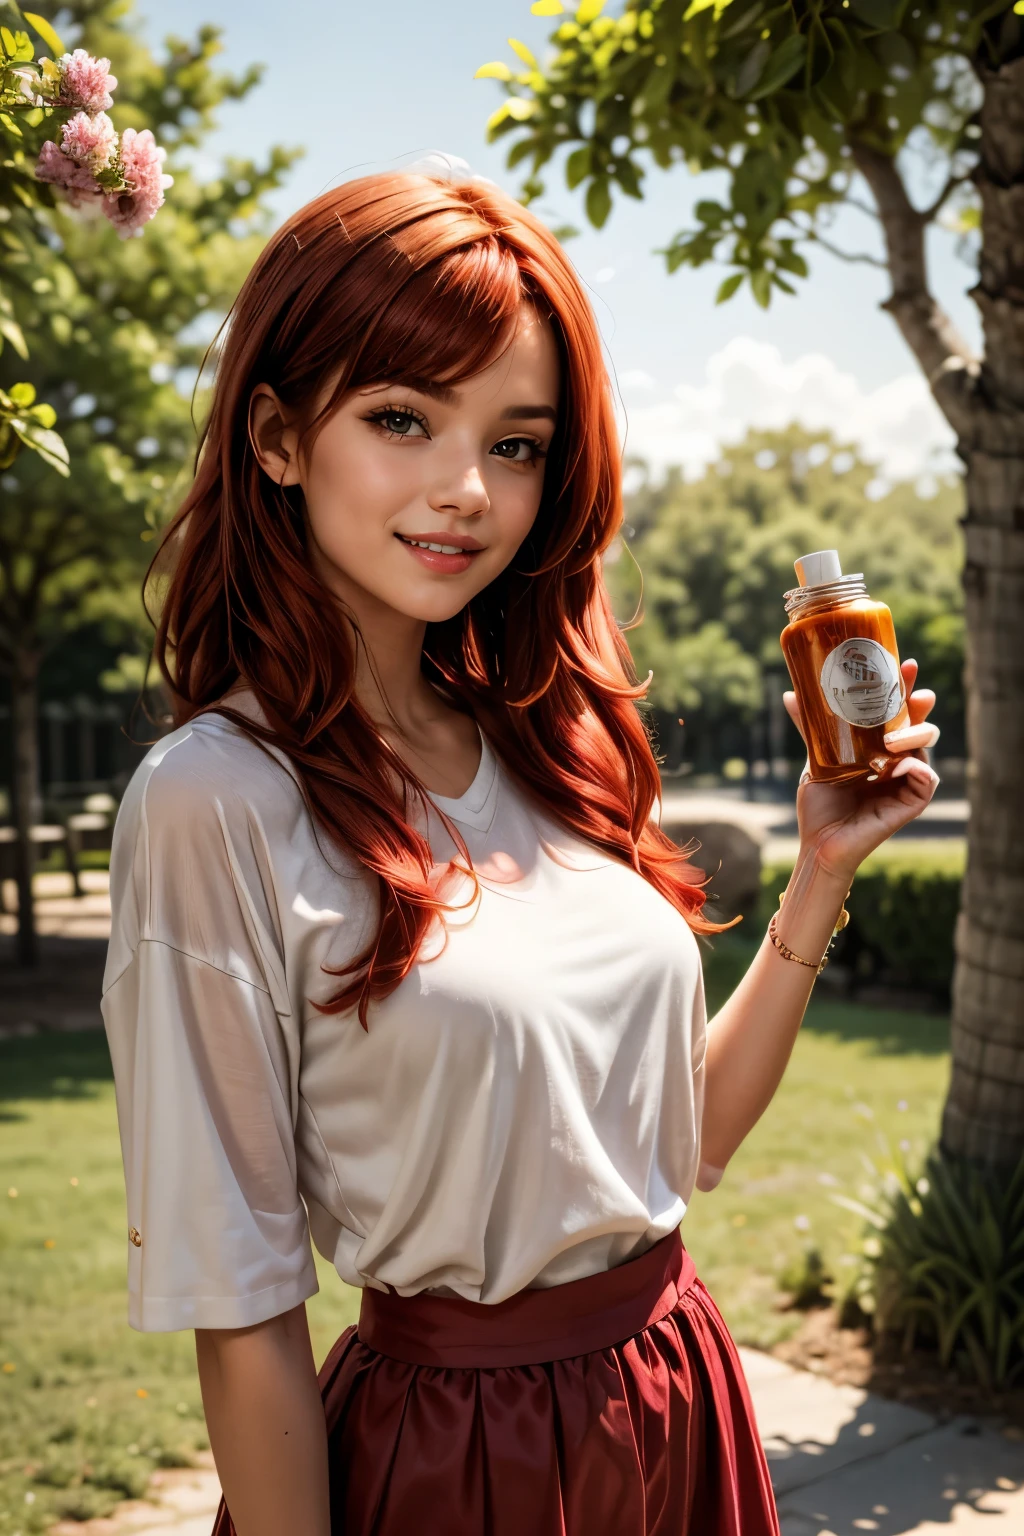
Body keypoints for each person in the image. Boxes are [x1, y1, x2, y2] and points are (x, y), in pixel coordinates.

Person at [100, 167, 940, 1536]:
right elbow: (241, 1306)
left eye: (516, 442)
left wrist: (822, 870)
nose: (464, 491)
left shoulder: (549, 744)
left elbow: (687, 1140)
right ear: (275, 437)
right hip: (457, 1461)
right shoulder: (215, 800)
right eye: (400, 418)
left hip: (675, 1399)